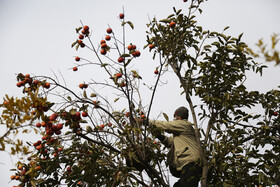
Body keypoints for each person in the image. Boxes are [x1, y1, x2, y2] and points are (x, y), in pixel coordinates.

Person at [150, 106, 202, 187]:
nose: (174, 118)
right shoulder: (181, 134)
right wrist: (158, 135)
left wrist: (146, 121)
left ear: (179, 116)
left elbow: (166, 125)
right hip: (187, 165)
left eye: (175, 116)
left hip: (191, 163)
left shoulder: (184, 124)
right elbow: (170, 142)